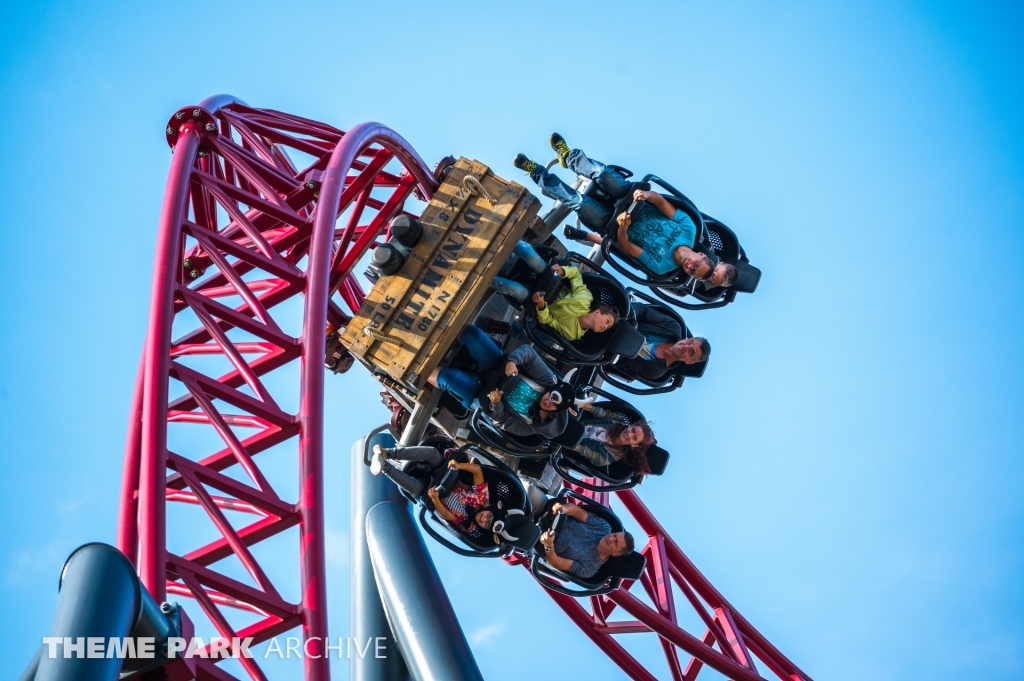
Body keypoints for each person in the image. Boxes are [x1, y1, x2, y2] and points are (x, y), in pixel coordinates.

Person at [513, 134, 737, 287]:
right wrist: (646, 196)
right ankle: (569, 156)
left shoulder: (663, 267)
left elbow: (627, 247)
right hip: (631, 198)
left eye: (692, 271)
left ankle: (536, 172)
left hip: (613, 223)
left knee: (578, 202)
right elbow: (661, 202)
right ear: (701, 254)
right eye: (696, 264)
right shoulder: (689, 230)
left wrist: (623, 227)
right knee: (603, 173)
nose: (690, 266)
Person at [427, 325, 572, 440]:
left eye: (553, 404)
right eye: (551, 396)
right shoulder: (547, 381)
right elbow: (529, 353)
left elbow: (501, 420)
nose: (548, 401)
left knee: (446, 378)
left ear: (556, 412)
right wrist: (512, 362)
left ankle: (421, 365)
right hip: (497, 366)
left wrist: (496, 404)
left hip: (481, 396)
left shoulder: (529, 428)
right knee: (472, 334)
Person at [489, 241, 619, 342]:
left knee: (516, 289)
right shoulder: (585, 298)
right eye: (607, 321)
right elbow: (575, 275)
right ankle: (506, 239)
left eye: (607, 327)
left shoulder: (572, 334)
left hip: (536, 299)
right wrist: (563, 271)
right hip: (547, 278)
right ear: (597, 312)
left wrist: (541, 305)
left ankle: (485, 278)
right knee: (531, 256)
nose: (605, 327)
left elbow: (549, 321)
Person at [370, 444, 495, 534]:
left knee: (416, 488)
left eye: (487, 524)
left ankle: (384, 466)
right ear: (489, 509)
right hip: (448, 474)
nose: (484, 519)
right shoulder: (482, 500)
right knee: (433, 453)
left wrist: (435, 499)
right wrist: (459, 466)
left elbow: (447, 515)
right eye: (489, 516)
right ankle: (388, 453)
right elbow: (477, 471)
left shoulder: (469, 525)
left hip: (435, 494)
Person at [615, 302, 710, 383]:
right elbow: (643, 311)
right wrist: (624, 316)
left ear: (689, 361)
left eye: (691, 351)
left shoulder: (655, 371)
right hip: (618, 318)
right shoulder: (673, 327)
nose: (686, 346)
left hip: (611, 346)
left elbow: (622, 363)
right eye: (689, 342)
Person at [538, 501, 634, 579]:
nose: (611, 538)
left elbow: (556, 563)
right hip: (549, 515)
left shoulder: (589, 568)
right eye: (615, 535)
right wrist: (563, 509)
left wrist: (548, 545)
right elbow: (577, 511)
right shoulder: (604, 527)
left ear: (616, 553)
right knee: (532, 493)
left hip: (539, 541)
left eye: (616, 542)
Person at [573, 402, 655, 475]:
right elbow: (600, 413)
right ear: (631, 425)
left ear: (634, 445)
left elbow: (582, 450)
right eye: (633, 430)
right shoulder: (619, 420)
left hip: (572, 438)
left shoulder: (607, 458)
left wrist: (570, 440)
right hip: (578, 419)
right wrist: (582, 404)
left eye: (634, 438)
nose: (629, 434)